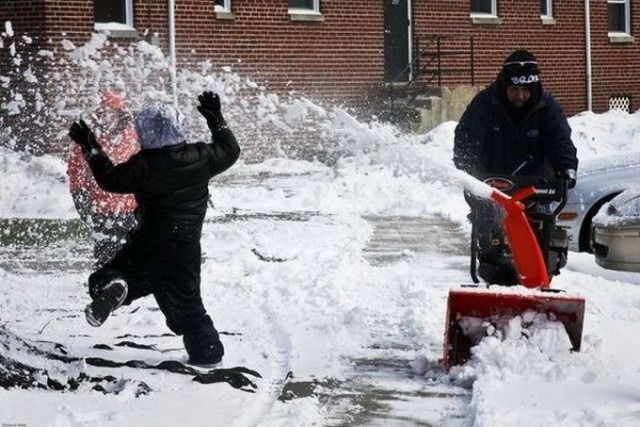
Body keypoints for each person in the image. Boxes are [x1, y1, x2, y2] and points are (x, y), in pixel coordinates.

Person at [68, 92, 241, 365]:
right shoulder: (201, 155)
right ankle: (207, 352)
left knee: (112, 275)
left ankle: (116, 284)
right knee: (188, 305)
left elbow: (110, 179)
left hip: (150, 242)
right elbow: (231, 151)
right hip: (186, 246)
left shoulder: (144, 165)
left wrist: (91, 147)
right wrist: (215, 119)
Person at [453, 49, 578, 285]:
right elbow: (467, 138)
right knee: (491, 231)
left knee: (543, 230)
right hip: (493, 185)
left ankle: (540, 278)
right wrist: (467, 167)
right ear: (504, 86)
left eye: (524, 90)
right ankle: (493, 275)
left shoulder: (547, 108)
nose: (519, 96)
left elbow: (560, 140)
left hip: (535, 185)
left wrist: (567, 167)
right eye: (513, 90)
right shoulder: (485, 104)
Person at [67, 91, 139, 268]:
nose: (107, 119)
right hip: (102, 206)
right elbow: (76, 169)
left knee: (134, 248)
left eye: (111, 114)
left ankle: (128, 281)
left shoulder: (134, 136)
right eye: (103, 114)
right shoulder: (89, 139)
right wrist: (78, 193)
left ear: (121, 115)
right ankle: (107, 281)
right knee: (106, 249)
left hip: (134, 205)